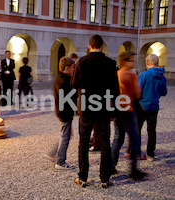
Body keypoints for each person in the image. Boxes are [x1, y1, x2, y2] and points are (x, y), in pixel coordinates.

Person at [72, 35, 119, 188]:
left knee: (83, 141)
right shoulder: (110, 63)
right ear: (102, 46)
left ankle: (83, 176)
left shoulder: (82, 62)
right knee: (105, 142)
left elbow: (74, 84)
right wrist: (114, 110)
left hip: (86, 107)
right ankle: (104, 178)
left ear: (89, 46)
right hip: (103, 108)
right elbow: (115, 90)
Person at [111, 51, 147, 180]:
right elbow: (137, 93)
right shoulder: (130, 75)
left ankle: (111, 166)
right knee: (134, 138)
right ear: (125, 62)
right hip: (128, 110)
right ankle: (134, 170)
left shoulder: (116, 74)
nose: (134, 62)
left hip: (118, 109)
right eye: (132, 60)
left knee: (117, 138)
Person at [136, 54, 167, 162]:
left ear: (147, 62)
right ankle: (150, 154)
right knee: (152, 131)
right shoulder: (162, 77)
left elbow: (138, 91)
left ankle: (137, 153)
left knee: (137, 129)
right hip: (154, 106)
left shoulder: (144, 75)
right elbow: (164, 92)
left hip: (142, 106)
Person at [50, 56, 76, 170]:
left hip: (62, 111)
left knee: (66, 134)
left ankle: (54, 154)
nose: (73, 70)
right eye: (72, 68)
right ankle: (60, 161)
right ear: (66, 68)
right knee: (65, 136)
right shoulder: (64, 81)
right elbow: (67, 98)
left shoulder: (60, 78)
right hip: (64, 112)